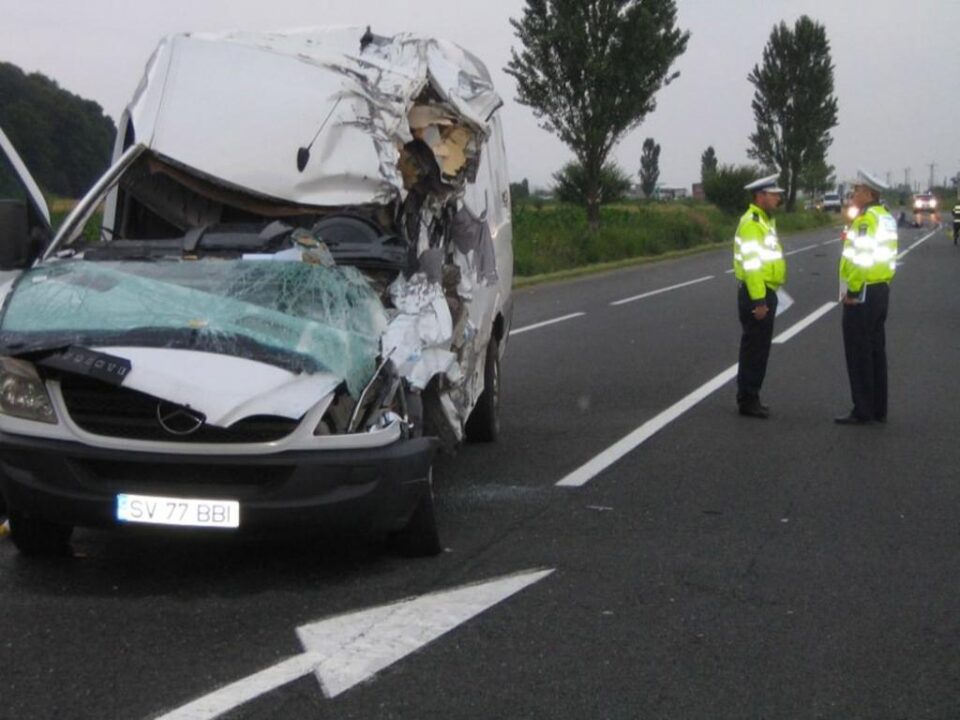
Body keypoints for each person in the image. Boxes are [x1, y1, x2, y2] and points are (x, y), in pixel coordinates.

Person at [835, 169, 898, 425]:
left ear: (869, 193)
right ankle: (878, 407)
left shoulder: (865, 221)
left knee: (858, 351)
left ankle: (862, 409)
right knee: (875, 351)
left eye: (858, 190)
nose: (854, 194)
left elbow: (861, 259)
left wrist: (852, 291)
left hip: (863, 292)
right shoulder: (886, 218)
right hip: (881, 287)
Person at [733, 173, 786, 418]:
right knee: (755, 348)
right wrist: (759, 301)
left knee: (759, 347)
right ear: (760, 195)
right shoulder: (753, 223)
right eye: (774, 195)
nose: (777, 199)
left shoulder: (764, 221)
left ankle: (751, 395)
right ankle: (748, 398)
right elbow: (753, 266)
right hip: (758, 292)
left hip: (766, 290)